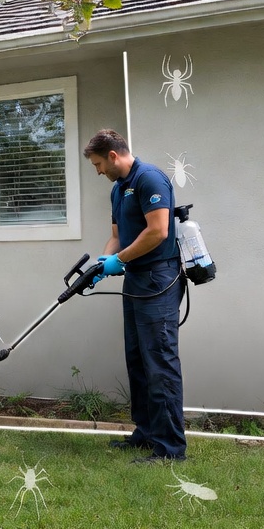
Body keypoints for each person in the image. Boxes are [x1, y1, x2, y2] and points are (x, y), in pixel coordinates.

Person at [84, 128, 187, 462]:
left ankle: (170, 448)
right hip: (136, 281)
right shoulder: (118, 190)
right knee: (139, 360)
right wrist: (103, 262)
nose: (98, 171)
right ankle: (146, 433)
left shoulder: (149, 179)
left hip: (159, 279)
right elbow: (117, 235)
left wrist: (120, 260)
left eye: (99, 164)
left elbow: (158, 231)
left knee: (159, 359)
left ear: (113, 156)